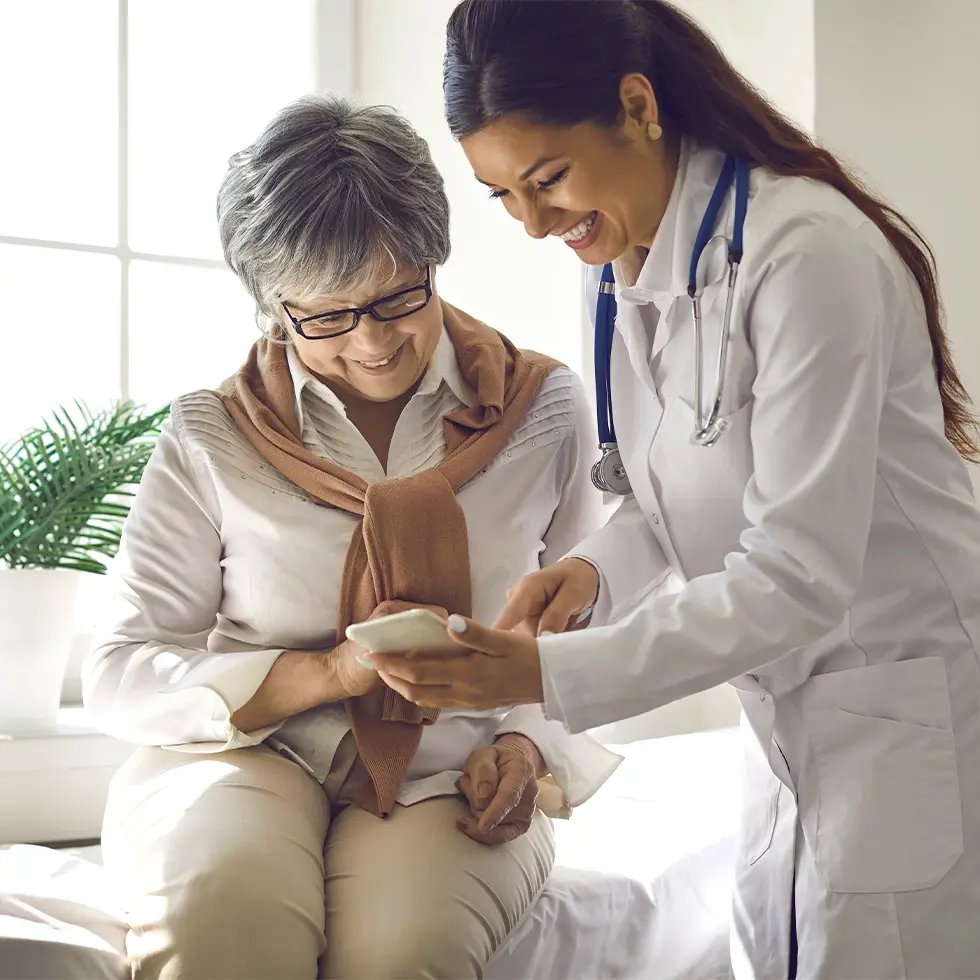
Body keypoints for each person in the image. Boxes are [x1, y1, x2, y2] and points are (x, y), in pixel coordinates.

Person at [367, 2, 980, 977]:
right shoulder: (615, 268)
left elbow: (794, 575)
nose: (531, 224)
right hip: (785, 713)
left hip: (899, 693)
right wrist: (590, 572)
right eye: (501, 197)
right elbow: (666, 490)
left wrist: (537, 677)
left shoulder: (803, 252)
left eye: (547, 179)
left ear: (637, 103)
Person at [82, 94, 620, 980]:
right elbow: (122, 666)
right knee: (224, 918)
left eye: (398, 298)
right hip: (249, 750)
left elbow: (598, 621)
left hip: (457, 762)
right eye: (326, 316)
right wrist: (326, 676)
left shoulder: (544, 409)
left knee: (403, 954)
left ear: (435, 261)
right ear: (272, 306)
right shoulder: (212, 433)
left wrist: (528, 744)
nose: (373, 343)